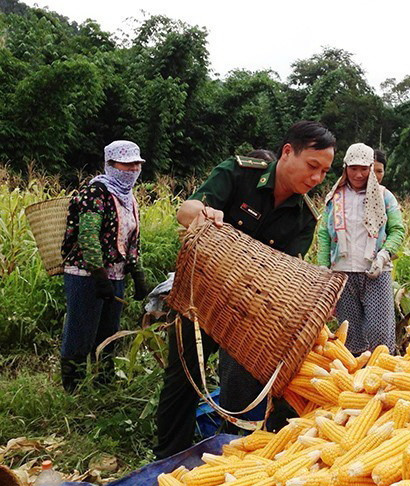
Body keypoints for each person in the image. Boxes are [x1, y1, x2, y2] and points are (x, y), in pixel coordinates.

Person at [153, 121, 335, 459]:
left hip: (248, 312)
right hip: (201, 295)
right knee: (183, 380)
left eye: (324, 172)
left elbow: (287, 272)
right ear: (287, 153)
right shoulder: (239, 174)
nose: (317, 179)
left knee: (250, 382)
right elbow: (185, 211)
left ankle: (241, 450)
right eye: (312, 166)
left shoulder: (305, 218)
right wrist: (205, 213)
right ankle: (167, 458)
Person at [60, 141, 150, 392]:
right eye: (127, 164)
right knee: (81, 331)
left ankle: (103, 385)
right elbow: (87, 235)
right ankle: (73, 389)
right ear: (110, 165)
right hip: (86, 274)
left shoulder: (129, 198)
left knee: (109, 334)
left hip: (116, 274)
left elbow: (131, 239)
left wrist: (138, 274)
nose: (133, 169)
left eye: (137, 164)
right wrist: (99, 275)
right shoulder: (95, 193)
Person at [317, 143, 405, 355]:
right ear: (345, 167)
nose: (358, 174)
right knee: (350, 334)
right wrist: (323, 268)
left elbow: (397, 230)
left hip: (375, 271)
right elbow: (324, 234)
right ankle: (354, 380)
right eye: (353, 168)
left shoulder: (384, 197)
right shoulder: (335, 197)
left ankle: (382, 372)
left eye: (364, 169)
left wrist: (384, 255)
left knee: (379, 331)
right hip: (342, 273)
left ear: (371, 168)